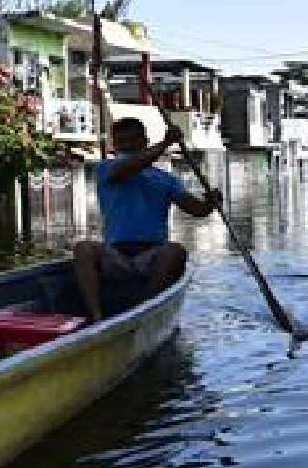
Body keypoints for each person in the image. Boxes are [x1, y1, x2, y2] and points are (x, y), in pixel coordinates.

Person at [72, 117, 220, 320]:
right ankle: (96, 315)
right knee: (83, 248)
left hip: (152, 257)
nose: (128, 146)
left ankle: (145, 309)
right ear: (114, 145)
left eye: (134, 140)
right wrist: (166, 143)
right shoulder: (106, 169)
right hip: (115, 256)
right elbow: (130, 166)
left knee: (175, 251)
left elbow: (197, 210)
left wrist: (211, 202)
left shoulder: (166, 179)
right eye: (122, 141)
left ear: (145, 142)